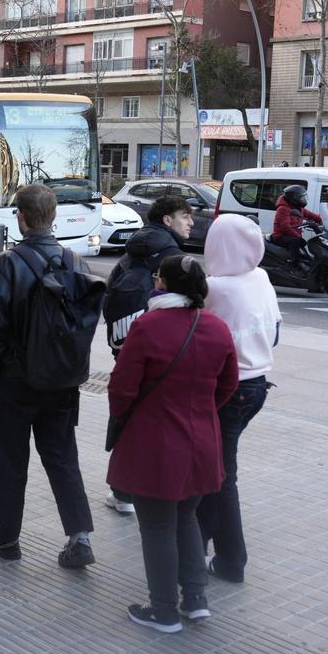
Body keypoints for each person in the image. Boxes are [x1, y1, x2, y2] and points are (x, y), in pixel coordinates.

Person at [108, 255, 239, 633]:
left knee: (157, 526)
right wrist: (200, 411)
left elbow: (122, 387)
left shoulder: (148, 325)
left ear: (162, 284)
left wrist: (131, 416)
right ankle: (195, 600)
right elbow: (228, 384)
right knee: (187, 519)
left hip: (156, 444)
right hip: (202, 442)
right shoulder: (216, 326)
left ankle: (163, 609)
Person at [0, 184, 97, 568]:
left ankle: (7, 538)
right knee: (63, 458)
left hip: (13, 381)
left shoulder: (6, 264)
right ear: (54, 217)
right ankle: (79, 538)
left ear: (21, 218)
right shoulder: (76, 262)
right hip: (61, 381)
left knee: (11, 461)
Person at [195, 215, 280, 584]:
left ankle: (231, 560)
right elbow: (275, 332)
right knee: (217, 468)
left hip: (226, 389)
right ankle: (201, 542)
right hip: (258, 384)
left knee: (220, 475)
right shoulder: (260, 278)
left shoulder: (215, 288)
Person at [101, 194, 194, 514]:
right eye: (185, 216)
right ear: (167, 220)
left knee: (130, 418)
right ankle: (160, 489)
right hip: (165, 352)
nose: (191, 223)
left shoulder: (133, 251)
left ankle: (123, 493)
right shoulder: (172, 258)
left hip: (126, 345)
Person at [270, 184, 321, 265]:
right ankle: (294, 262)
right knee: (296, 241)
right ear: (294, 198)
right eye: (301, 197)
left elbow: (311, 215)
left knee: (302, 243)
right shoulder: (283, 209)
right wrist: (298, 236)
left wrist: (322, 220)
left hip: (291, 235)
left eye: (304, 197)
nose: (304, 199)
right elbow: (285, 227)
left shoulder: (298, 207)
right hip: (280, 236)